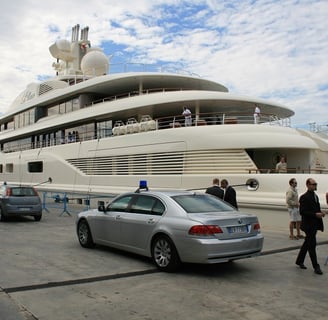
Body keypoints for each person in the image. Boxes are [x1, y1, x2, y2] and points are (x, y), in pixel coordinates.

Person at [295, 178, 325, 275]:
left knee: (307, 243)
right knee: (312, 245)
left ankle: (299, 261)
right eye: (313, 184)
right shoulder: (304, 197)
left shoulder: (315, 196)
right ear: (307, 185)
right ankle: (316, 266)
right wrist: (315, 214)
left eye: (316, 184)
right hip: (308, 225)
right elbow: (302, 211)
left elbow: (316, 209)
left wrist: (320, 213)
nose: (315, 186)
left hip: (314, 224)